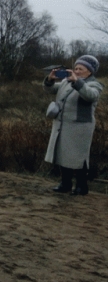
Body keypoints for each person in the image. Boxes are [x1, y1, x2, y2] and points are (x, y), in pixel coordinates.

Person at [44, 55, 103, 195]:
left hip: (80, 127)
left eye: (81, 69)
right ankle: (65, 184)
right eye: (75, 68)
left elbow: (91, 96)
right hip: (62, 124)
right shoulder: (66, 81)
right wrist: (50, 79)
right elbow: (51, 89)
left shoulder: (94, 84)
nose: (77, 71)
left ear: (90, 71)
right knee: (63, 154)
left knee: (79, 157)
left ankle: (81, 186)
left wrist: (77, 82)